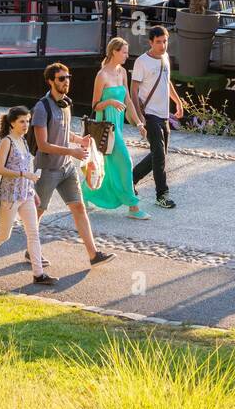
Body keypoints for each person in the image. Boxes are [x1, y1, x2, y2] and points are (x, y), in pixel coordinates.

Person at [32, 62, 115, 266]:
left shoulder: (66, 104)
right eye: (61, 78)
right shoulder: (41, 108)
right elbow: (43, 144)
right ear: (51, 81)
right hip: (48, 168)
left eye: (68, 77)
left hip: (67, 167)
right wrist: (72, 151)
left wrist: (79, 140)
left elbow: (62, 131)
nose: (66, 82)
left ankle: (94, 255)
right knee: (38, 212)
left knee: (78, 207)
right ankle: (31, 251)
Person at [0, 106, 53, 285]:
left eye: (28, 121)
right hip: (9, 197)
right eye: (22, 121)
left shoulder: (23, 141)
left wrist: (33, 192)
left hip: (26, 195)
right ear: (12, 123)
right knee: (4, 234)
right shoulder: (7, 142)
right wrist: (24, 175)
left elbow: (27, 168)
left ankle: (38, 274)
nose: (26, 125)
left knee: (33, 233)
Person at [82, 37, 149, 219]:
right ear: (114, 52)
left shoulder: (122, 73)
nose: (127, 55)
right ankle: (133, 207)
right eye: (124, 52)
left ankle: (85, 192)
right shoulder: (102, 75)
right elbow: (95, 105)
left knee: (106, 164)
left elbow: (127, 100)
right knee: (125, 161)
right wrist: (110, 101)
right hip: (106, 125)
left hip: (117, 124)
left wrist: (139, 123)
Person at [131, 26, 183, 210]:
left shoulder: (165, 58)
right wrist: (140, 117)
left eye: (165, 41)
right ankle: (162, 195)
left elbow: (166, 80)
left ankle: (130, 180)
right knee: (159, 156)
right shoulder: (141, 62)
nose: (162, 45)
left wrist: (178, 102)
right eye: (159, 42)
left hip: (163, 115)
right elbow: (134, 90)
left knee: (158, 154)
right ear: (151, 42)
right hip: (150, 115)